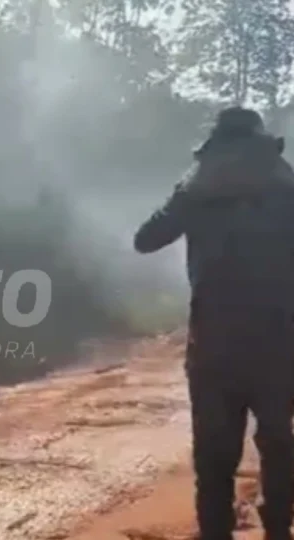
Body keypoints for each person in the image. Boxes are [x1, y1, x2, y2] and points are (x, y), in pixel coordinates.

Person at [134, 106, 294, 540]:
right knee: (279, 442)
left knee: (213, 453)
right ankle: (278, 528)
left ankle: (215, 532)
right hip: (279, 342)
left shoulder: (196, 188)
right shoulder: (287, 185)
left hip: (213, 345)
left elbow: (145, 240)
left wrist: (187, 196)